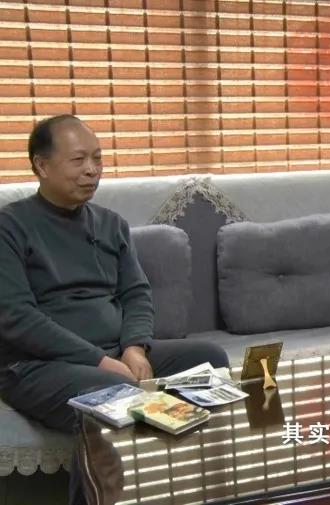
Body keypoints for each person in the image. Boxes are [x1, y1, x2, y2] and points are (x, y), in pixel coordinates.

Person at [0, 115, 230, 503]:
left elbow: (136, 294)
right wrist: (100, 361)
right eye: (78, 160)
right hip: (36, 365)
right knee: (113, 393)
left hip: (113, 354)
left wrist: (134, 348)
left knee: (209, 359)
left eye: (97, 158)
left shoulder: (112, 225)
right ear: (42, 165)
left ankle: (201, 490)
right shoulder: (10, 226)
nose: (92, 170)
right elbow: (16, 317)